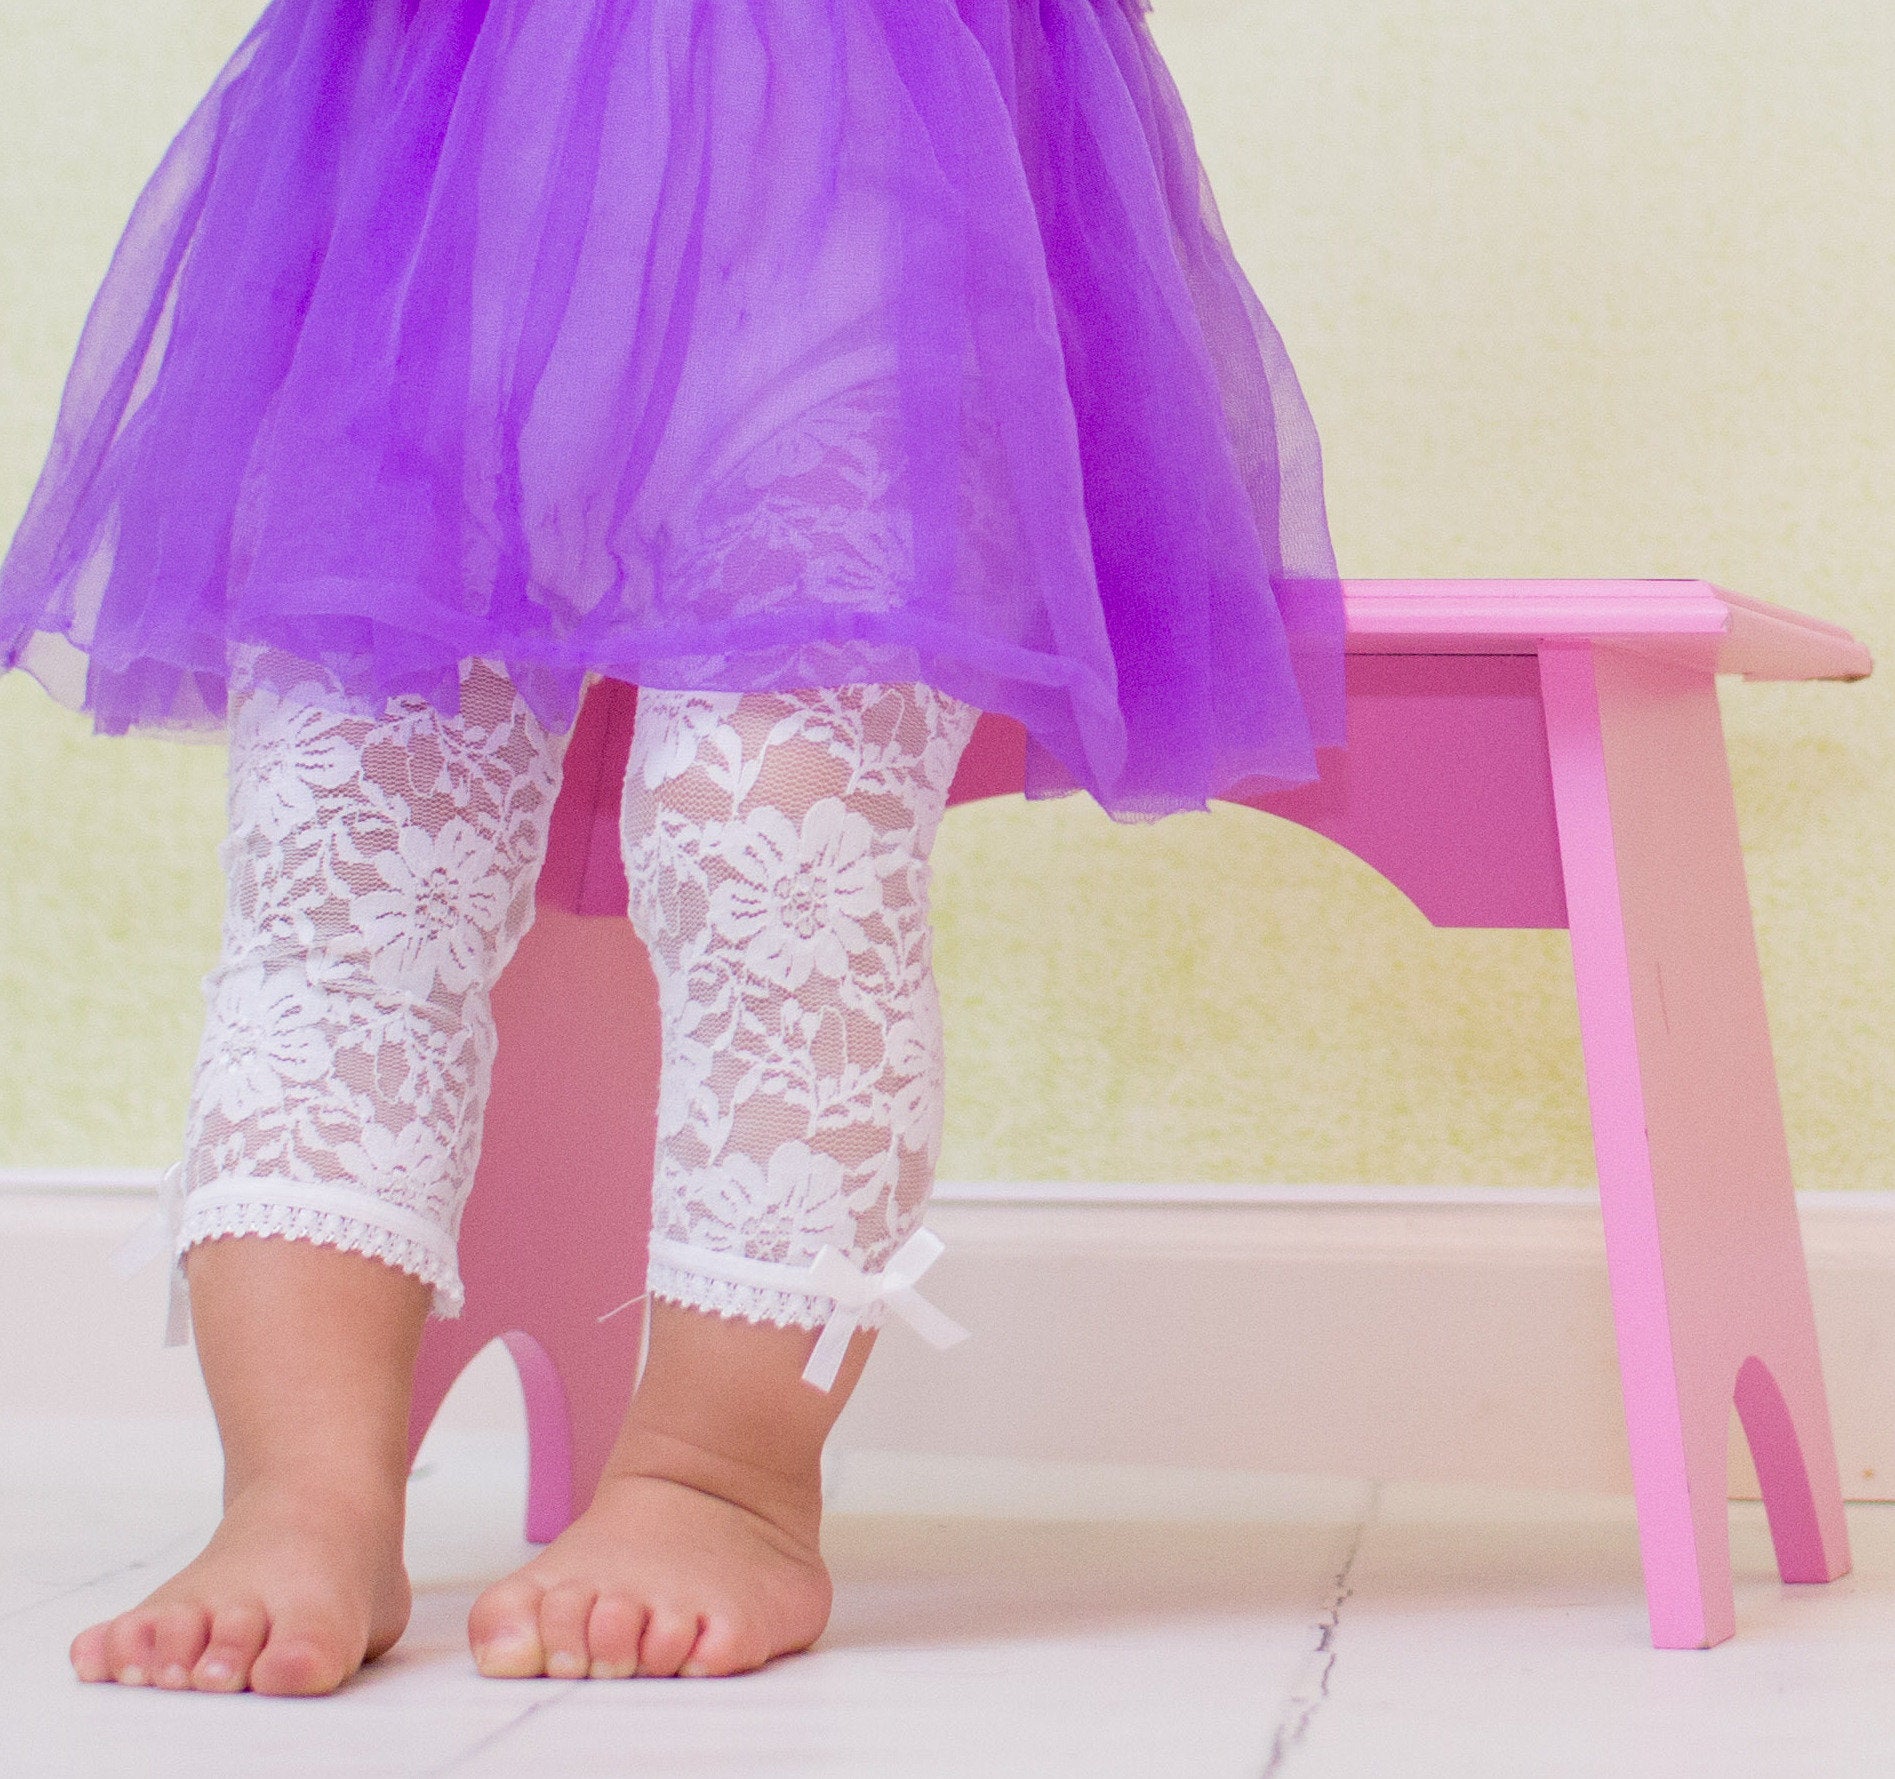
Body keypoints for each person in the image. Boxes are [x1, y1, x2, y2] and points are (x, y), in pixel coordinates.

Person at [0, 0, 1343, 1695]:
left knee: (769, 825)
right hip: (451, 132)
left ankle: (723, 1475)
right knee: (347, 839)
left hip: (866, 144)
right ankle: (299, 1486)